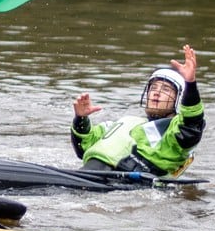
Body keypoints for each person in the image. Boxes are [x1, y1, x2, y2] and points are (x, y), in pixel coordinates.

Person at [69, 45, 203, 177]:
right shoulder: (126, 122)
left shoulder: (172, 131)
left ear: (179, 100)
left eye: (166, 90)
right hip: (90, 172)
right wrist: (81, 119)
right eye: (154, 88)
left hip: (125, 180)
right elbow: (84, 147)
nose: (156, 93)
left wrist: (190, 84)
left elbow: (191, 125)